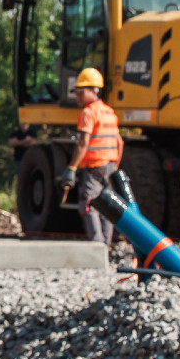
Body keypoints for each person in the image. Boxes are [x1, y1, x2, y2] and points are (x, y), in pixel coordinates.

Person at [58, 67, 123, 246]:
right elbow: (119, 142)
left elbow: (83, 143)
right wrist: (115, 165)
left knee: (88, 204)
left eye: (81, 93)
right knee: (106, 207)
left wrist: (72, 167)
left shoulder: (88, 113)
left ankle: (97, 245)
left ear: (94, 91)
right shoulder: (109, 112)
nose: (77, 97)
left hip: (94, 167)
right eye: (76, 93)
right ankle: (105, 245)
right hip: (109, 166)